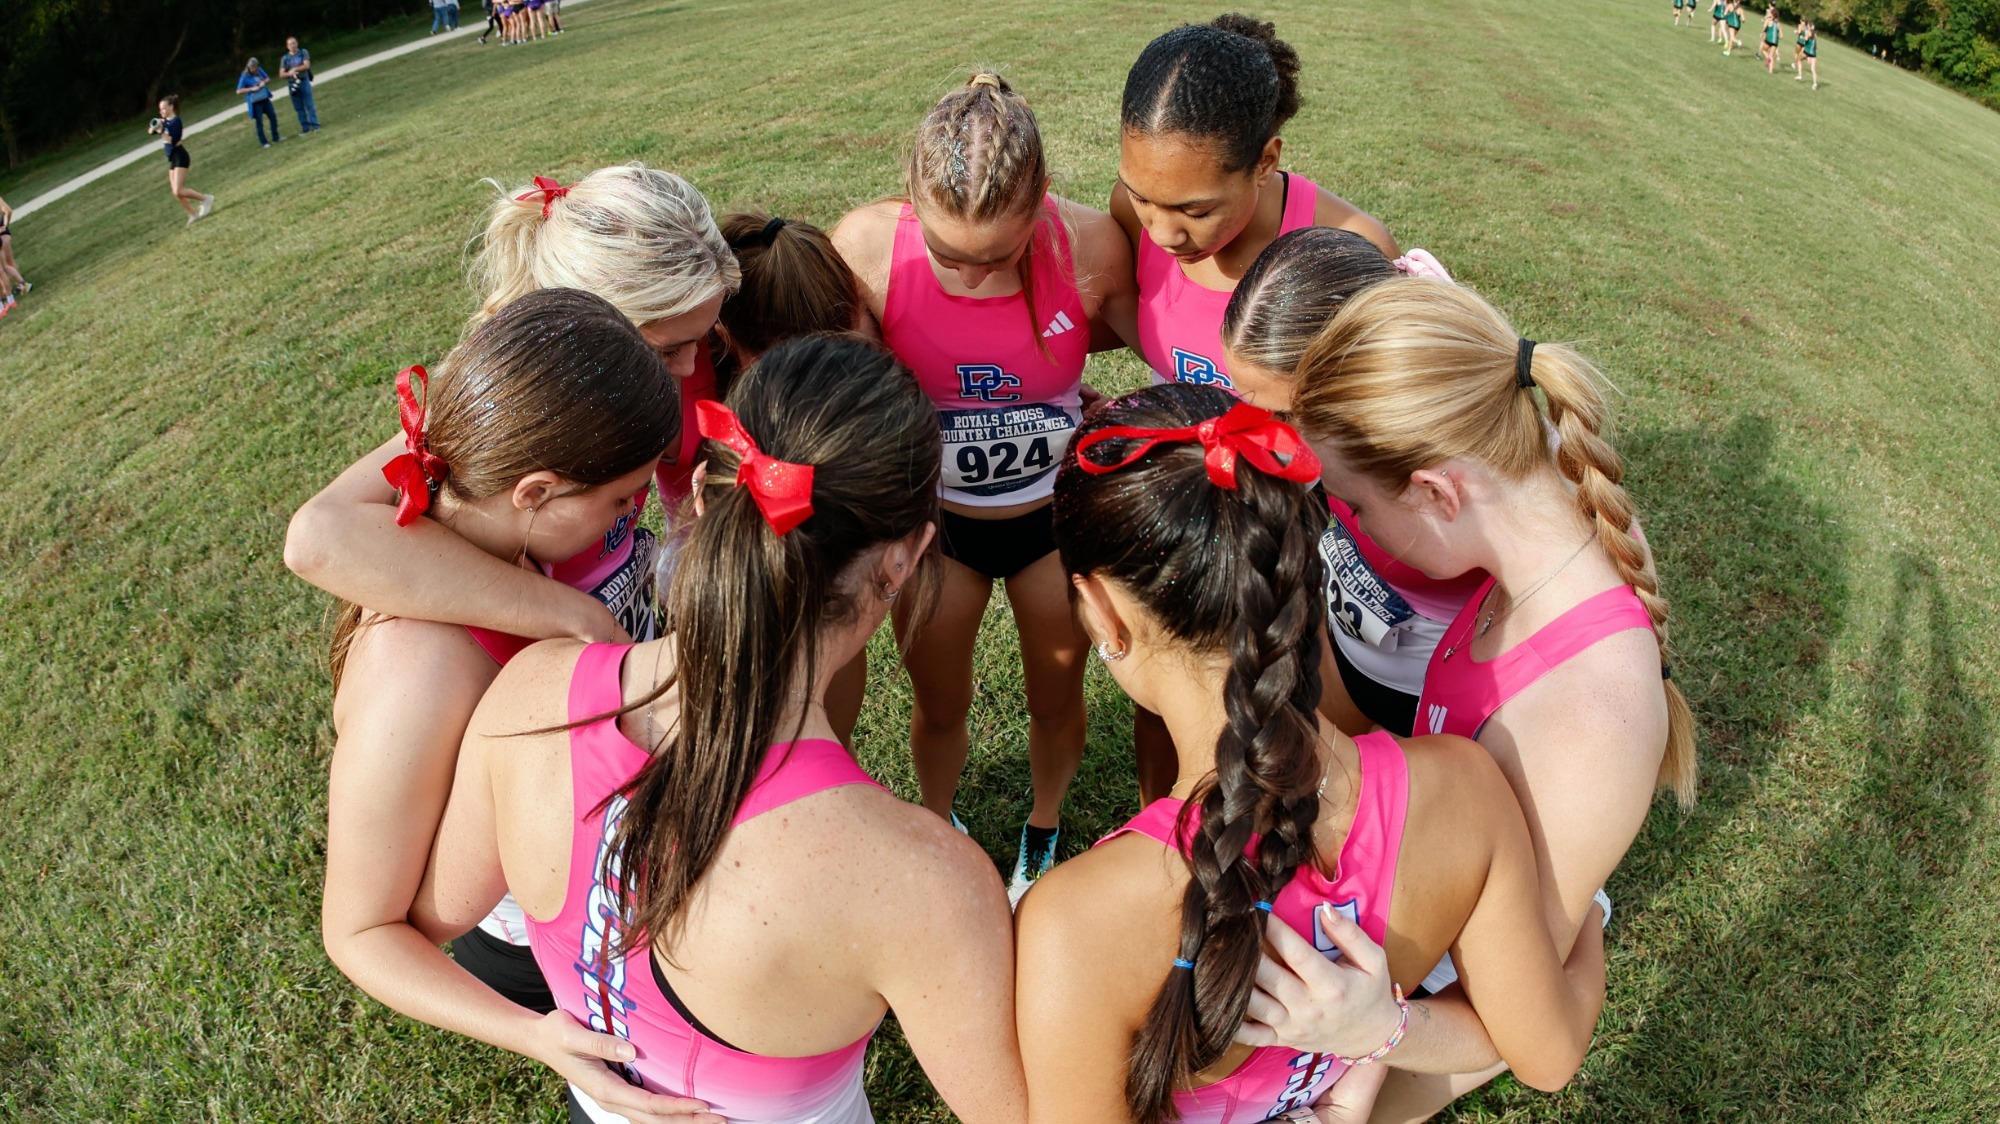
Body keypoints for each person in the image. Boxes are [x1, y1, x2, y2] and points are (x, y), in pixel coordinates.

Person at [416, 335, 1027, 1124]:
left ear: (703, 492)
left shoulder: (529, 696)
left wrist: (533, 1030)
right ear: (905, 557)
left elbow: (428, 914)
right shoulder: (920, 881)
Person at [1014, 384, 1608, 1124]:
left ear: (1101, 610)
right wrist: (1581, 913)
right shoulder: (1466, 791)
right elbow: (1546, 1056)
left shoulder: (1079, 925)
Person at [1232, 277, 1696, 1121]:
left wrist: (1374, 1031)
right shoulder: (1532, 512)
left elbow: (1523, 1033)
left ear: (1439, 491)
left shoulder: (1591, 716)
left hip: (1410, 1019)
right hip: (1404, 920)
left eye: (1358, 507)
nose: (1354, 529)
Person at [284, 165, 740, 992]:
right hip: (551, 875)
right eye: (668, 347)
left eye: (698, 345)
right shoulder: (507, 410)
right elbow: (318, 537)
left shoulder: (601, 417)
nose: (684, 371)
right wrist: (567, 617)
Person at [315, 287, 706, 1122]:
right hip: (552, 936)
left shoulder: (496, 506)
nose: (628, 519)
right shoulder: (416, 669)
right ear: (532, 491)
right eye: (615, 503)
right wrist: (536, 1037)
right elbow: (364, 931)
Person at [831, 72, 1139, 902]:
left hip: (1051, 520)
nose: (969, 277)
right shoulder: (863, 246)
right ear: (908, 200)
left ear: (1042, 200)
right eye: (947, 255)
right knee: (937, 703)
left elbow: (1142, 337)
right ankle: (936, 821)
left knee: (1056, 689)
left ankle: (1042, 829)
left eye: (997, 257)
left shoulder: (1093, 245)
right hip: (936, 530)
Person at [1111, 12, 1398, 803]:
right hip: (1183, 524)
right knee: (1166, 707)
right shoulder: (1144, 214)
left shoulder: (1348, 249)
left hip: (1296, 542)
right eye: (1142, 199)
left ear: (1268, 159)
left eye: (1196, 211)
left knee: (1293, 734)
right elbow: (1130, 315)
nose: (1163, 230)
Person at [1220, 227, 1471, 738]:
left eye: (1287, 412)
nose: (1269, 433)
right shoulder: (1351, 425)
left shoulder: (1462, 446)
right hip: (1347, 654)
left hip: (1443, 698)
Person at [712, 208, 877, 740]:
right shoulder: (690, 389)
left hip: (830, 594)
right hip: (731, 597)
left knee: (830, 732)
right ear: (725, 338)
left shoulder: (858, 373)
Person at [146, 96, 214, 226]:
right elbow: (150, 131)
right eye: (160, 110)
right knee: (175, 192)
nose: (162, 112)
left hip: (180, 156)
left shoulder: (176, 121)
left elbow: (173, 140)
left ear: (171, 107)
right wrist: (155, 125)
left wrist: (161, 132)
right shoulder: (164, 122)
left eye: (164, 109)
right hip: (172, 158)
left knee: (179, 190)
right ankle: (192, 214)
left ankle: (206, 199)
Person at [236, 58, 282, 148]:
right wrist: (251, 89)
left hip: (264, 98)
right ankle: (264, 142)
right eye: (254, 68)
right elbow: (238, 91)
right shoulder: (244, 76)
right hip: (255, 102)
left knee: (273, 116)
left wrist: (263, 82)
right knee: (259, 122)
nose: (256, 70)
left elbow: (267, 78)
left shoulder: (259, 71)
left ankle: (276, 137)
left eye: (257, 68)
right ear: (250, 67)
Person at [280, 37, 320, 133]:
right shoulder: (285, 58)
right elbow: (281, 74)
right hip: (292, 83)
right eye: (290, 44)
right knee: (299, 107)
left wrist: (295, 69)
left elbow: (306, 65)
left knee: (309, 104)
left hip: (303, 80)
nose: (292, 45)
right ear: (287, 46)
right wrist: (289, 73)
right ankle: (305, 127)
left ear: (297, 43)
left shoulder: (303, 52)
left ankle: (315, 125)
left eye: (294, 43)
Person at [0, 194, 28, 306]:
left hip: (1, 234)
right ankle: (20, 285)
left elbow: (8, 211)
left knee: (5, 266)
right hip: (4, 234)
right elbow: (7, 210)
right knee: (7, 264)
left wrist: (3, 227)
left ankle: (17, 288)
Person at [1800, 21, 1820, 88]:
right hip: (1813, 54)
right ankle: (1815, 84)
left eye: (1808, 25)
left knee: (1799, 60)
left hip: (1807, 52)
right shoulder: (1815, 34)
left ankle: (1800, 75)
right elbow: (1816, 46)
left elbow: (1806, 39)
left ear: (1809, 26)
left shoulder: (1808, 32)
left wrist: (1802, 37)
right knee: (1813, 69)